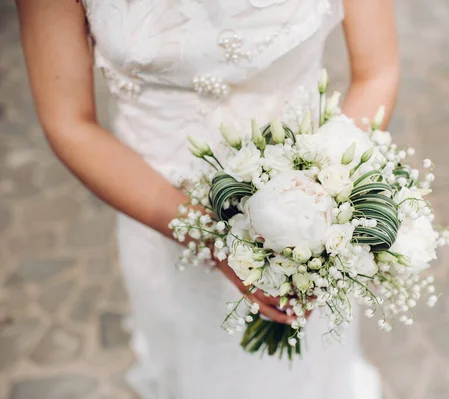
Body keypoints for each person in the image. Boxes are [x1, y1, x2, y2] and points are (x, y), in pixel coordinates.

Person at [16, 0, 400, 397]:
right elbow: (68, 122)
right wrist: (210, 239)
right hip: (159, 216)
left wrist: (321, 206)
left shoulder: (314, 224)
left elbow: (376, 73)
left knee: (308, 368)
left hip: (306, 228)